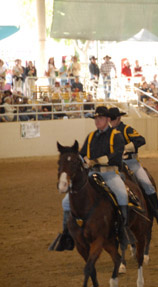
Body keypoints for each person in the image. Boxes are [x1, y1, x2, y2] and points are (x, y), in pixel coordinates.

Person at [51, 106, 134, 252]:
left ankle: (124, 229)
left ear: (108, 120)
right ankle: (66, 235)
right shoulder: (90, 137)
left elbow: (117, 155)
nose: (97, 121)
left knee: (121, 194)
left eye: (100, 118)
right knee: (66, 202)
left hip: (109, 174)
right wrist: (83, 159)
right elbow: (82, 154)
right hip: (91, 175)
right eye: (96, 118)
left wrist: (98, 160)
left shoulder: (116, 136)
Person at [108, 107, 158, 224]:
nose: (111, 122)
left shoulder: (126, 129)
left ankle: (156, 211)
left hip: (131, 163)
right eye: (110, 119)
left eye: (113, 119)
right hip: (114, 165)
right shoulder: (108, 133)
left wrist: (126, 147)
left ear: (119, 118)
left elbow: (141, 140)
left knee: (146, 183)